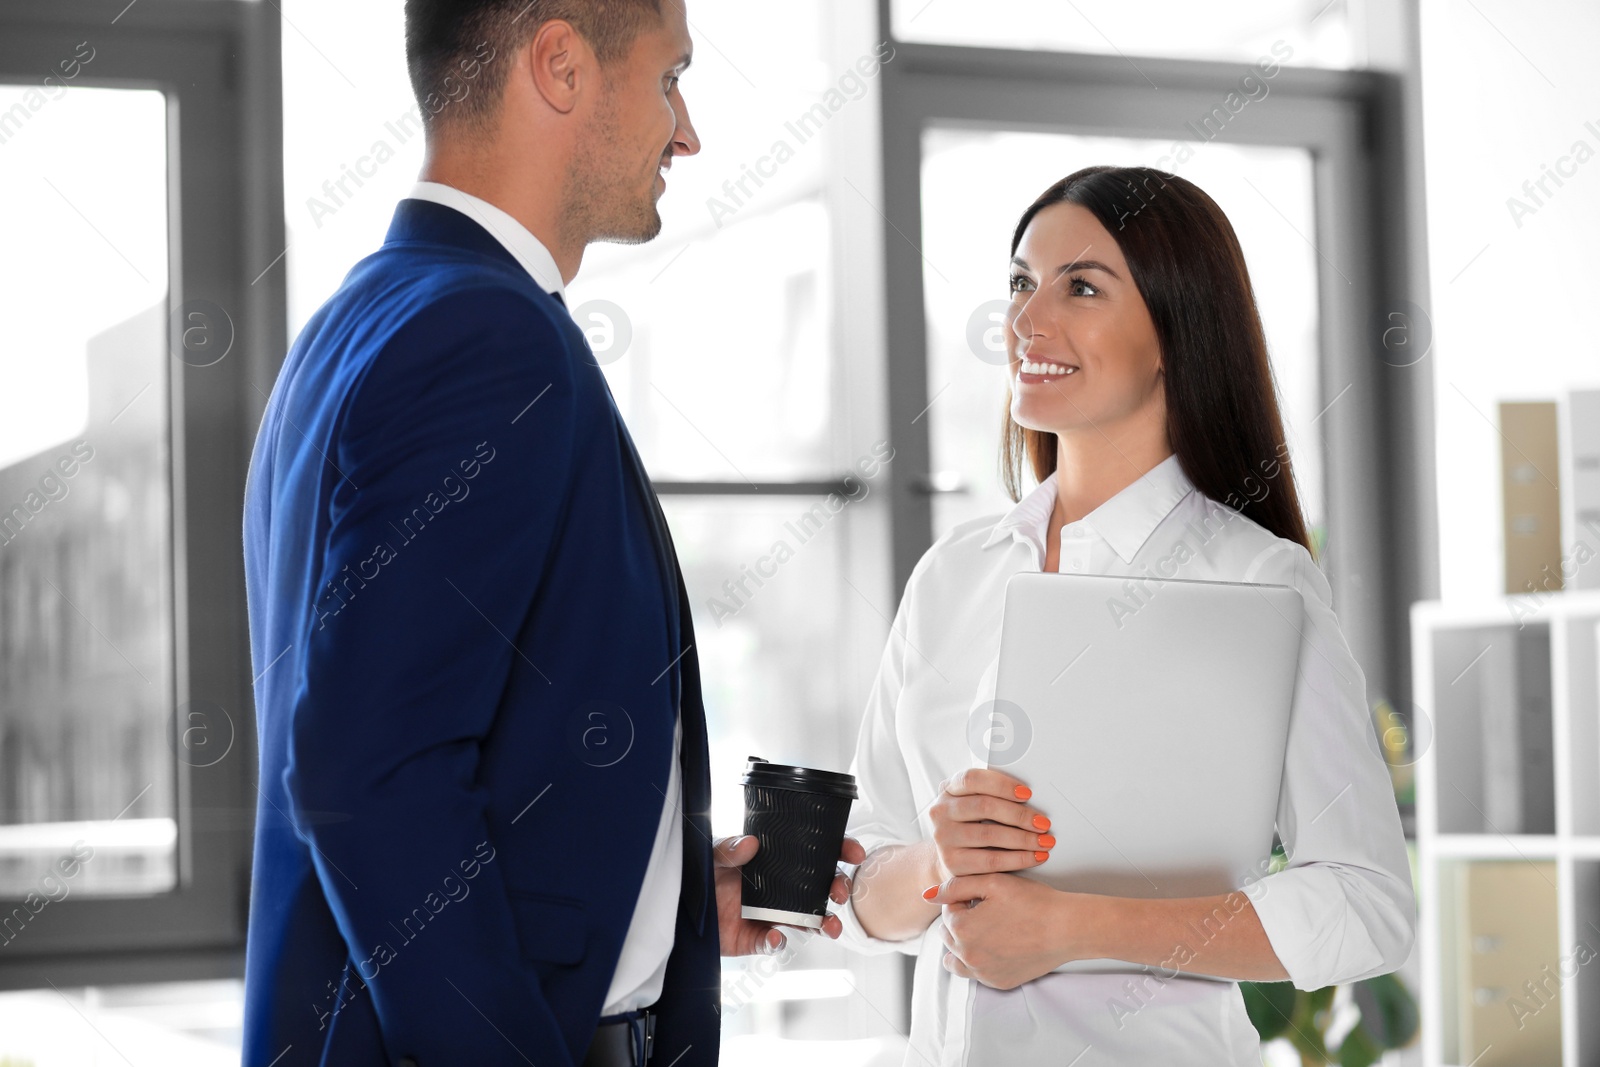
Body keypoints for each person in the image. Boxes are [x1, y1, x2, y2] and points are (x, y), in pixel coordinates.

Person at [241, 3, 859, 1065]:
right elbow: (365, 773)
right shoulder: (483, 336)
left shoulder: (360, 320)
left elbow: (448, 720)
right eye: (670, 78)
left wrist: (655, 896)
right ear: (562, 65)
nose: (689, 132)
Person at [838, 166, 1416, 1065]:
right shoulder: (951, 575)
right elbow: (863, 875)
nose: (1028, 321)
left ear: (1174, 330)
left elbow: (1367, 902)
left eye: (1082, 286)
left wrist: (1074, 926)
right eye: (1023, 283)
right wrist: (935, 866)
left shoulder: (1258, 580)